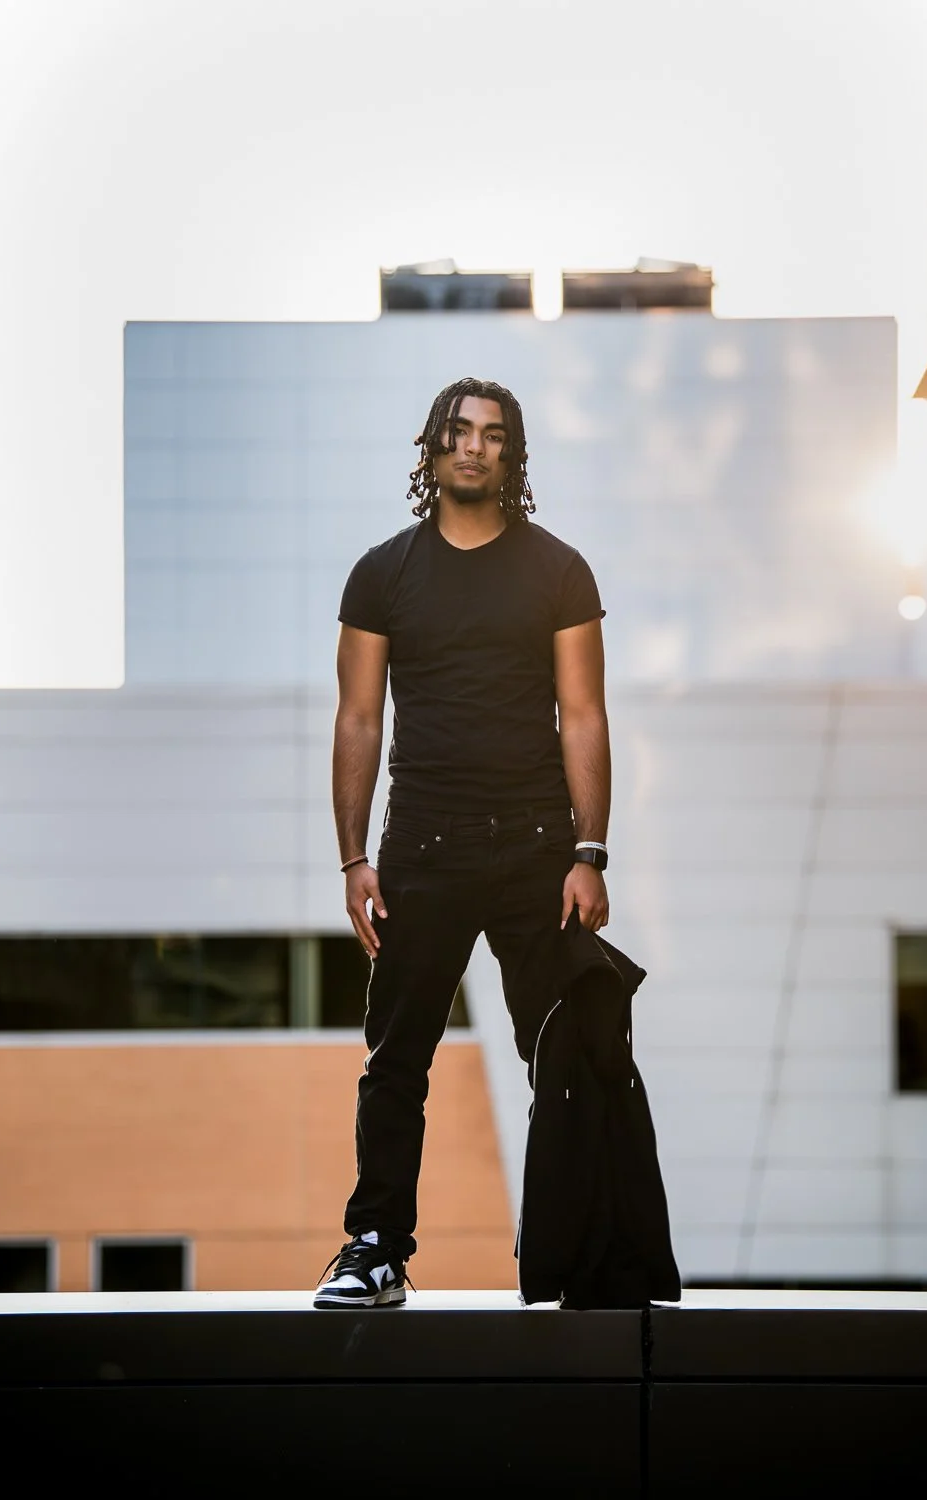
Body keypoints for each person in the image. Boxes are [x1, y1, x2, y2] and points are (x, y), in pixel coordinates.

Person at [314, 376, 611, 1308]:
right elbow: (359, 720)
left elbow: (584, 714)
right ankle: (373, 1249)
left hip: (535, 849)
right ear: (433, 449)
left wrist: (590, 851)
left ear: (511, 456)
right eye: (459, 432)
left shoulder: (559, 569)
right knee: (396, 1057)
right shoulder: (382, 574)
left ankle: (577, 1256)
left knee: (562, 1056)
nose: (474, 447)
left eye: (492, 435)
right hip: (423, 852)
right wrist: (354, 858)